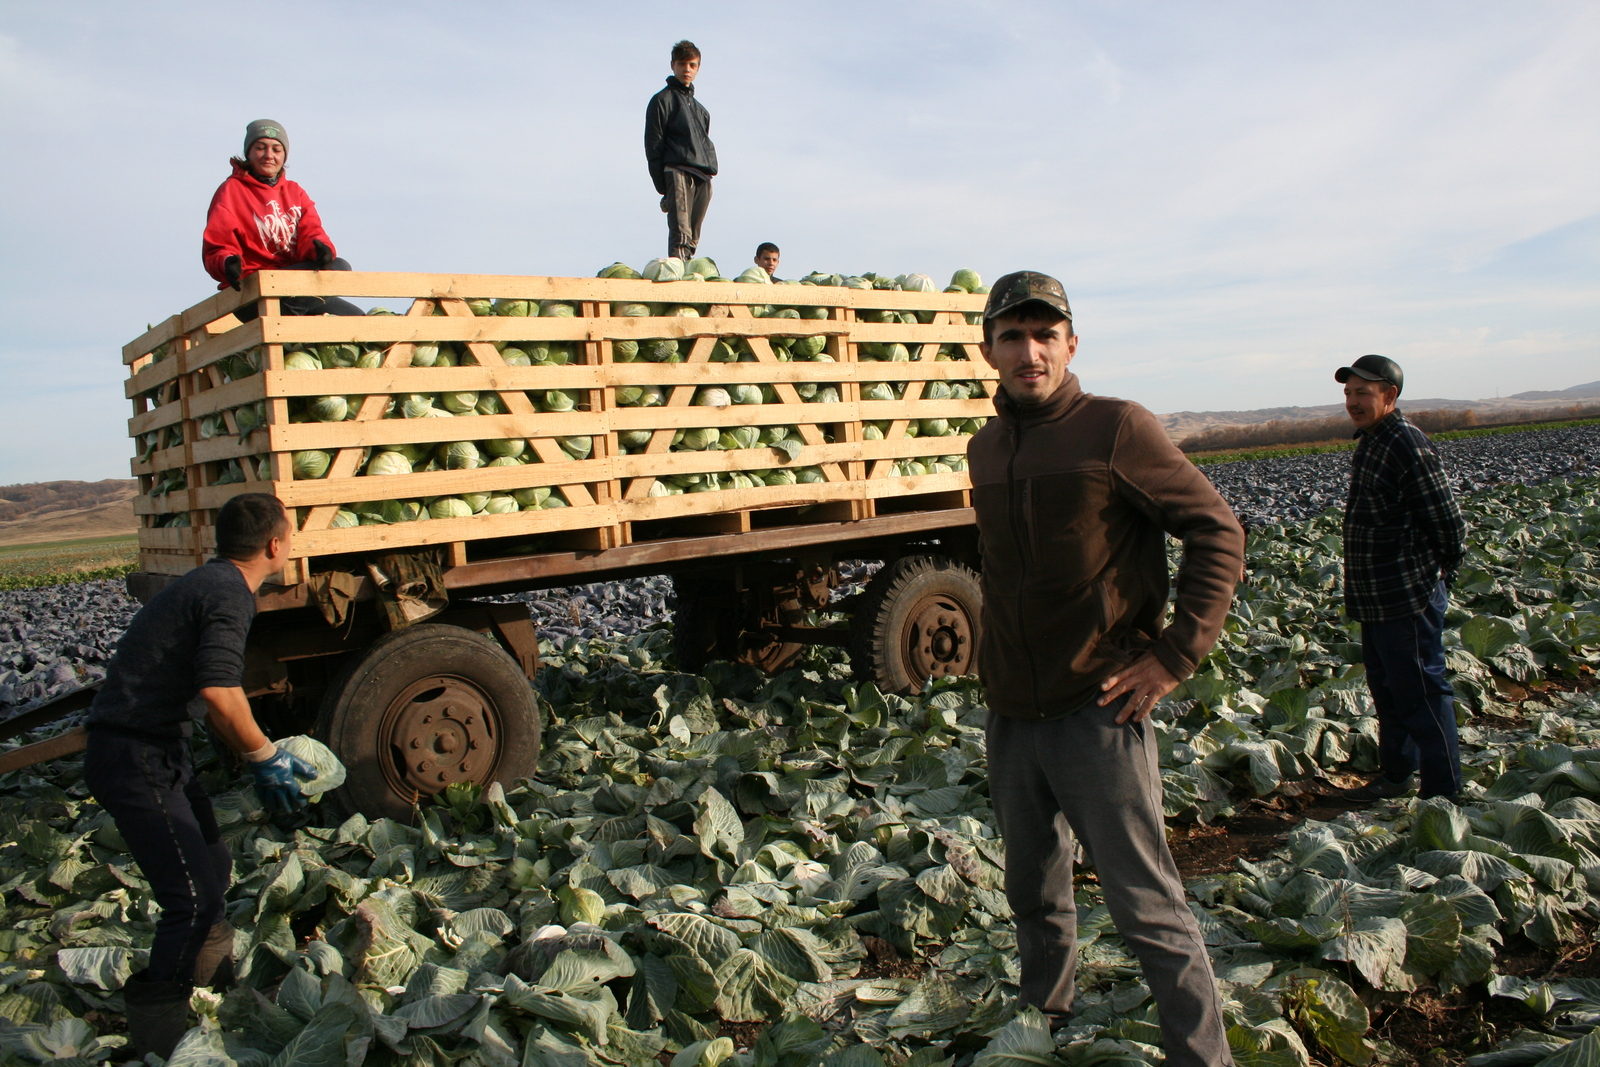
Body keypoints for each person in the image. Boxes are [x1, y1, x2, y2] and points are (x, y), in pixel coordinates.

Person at [969, 272, 1244, 1066]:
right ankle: (1042, 1018)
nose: (1030, 350)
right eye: (1013, 335)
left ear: (1071, 344)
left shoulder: (1115, 427)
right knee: (1034, 892)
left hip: (1099, 709)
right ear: (988, 350)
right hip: (1015, 715)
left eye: (1045, 333)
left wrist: (1174, 654)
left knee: (1145, 903)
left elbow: (1218, 531)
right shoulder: (985, 448)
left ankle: (1204, 1057)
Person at [84, 494, 316, 1059]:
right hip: (133, 754)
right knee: (188, 896)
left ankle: (210, 983)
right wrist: (265, 757)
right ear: (275, 545)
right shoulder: (228, 594)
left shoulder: (208, 582)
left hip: (157, 747)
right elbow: (218, 691)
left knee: (211, 864)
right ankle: (159, 1026)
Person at [1336, 355, 1467, 802]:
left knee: (1423, 694)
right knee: (1388, 693)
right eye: (1349, 393)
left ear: (1390, 396)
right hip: (1376, 597)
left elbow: (1447, 520)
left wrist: (1440, 571)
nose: (1353, 401)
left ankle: (1443, 792)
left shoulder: (1406, 443)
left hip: (1407, 594)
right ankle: (1396, 778)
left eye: (1363, 393)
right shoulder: (1373, 440)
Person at [201, 119, 363, 321]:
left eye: (276, 149)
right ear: (248, 153)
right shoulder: (231, 191)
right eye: (260, 148)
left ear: (284, 155)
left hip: (292, 286)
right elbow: (218, 244)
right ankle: (286, 322)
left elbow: (312, 232)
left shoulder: (295, 192)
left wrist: (321, 251)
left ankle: (287, 318)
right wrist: (227, 264)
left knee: (344, 279)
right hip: (252, 290)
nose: (269, 155)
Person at [645, 41, 718, 261]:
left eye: (692, 65)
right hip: (677, 171)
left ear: (698, 68)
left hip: (703, 175)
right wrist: (663, 187)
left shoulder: (701, 111)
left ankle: (688, 274)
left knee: (694, 238)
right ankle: (677, 284)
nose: (687, 69)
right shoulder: (661, 101)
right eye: (682, 64)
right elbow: (653, 145)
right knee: (681, 235)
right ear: (673, 65)